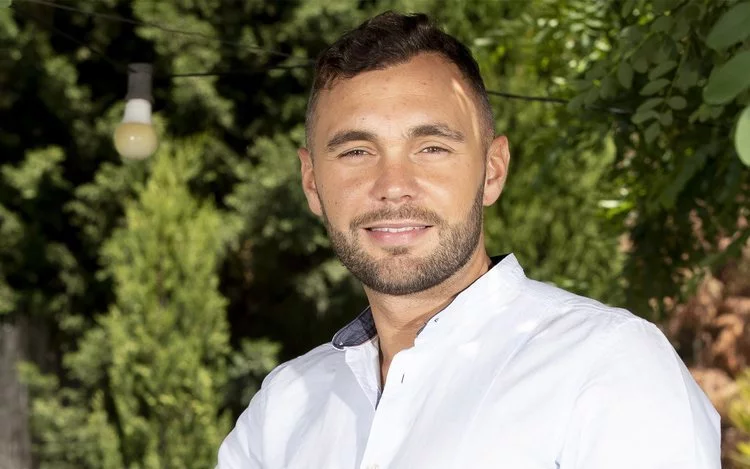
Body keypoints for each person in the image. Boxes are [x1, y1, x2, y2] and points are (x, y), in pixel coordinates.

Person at [217, 11, 720, 469]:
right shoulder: (284, 408)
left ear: (492, 171)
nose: (393, 186)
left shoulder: (607, 365)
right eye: (356, 152)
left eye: (431, 147)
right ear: (311, 183)